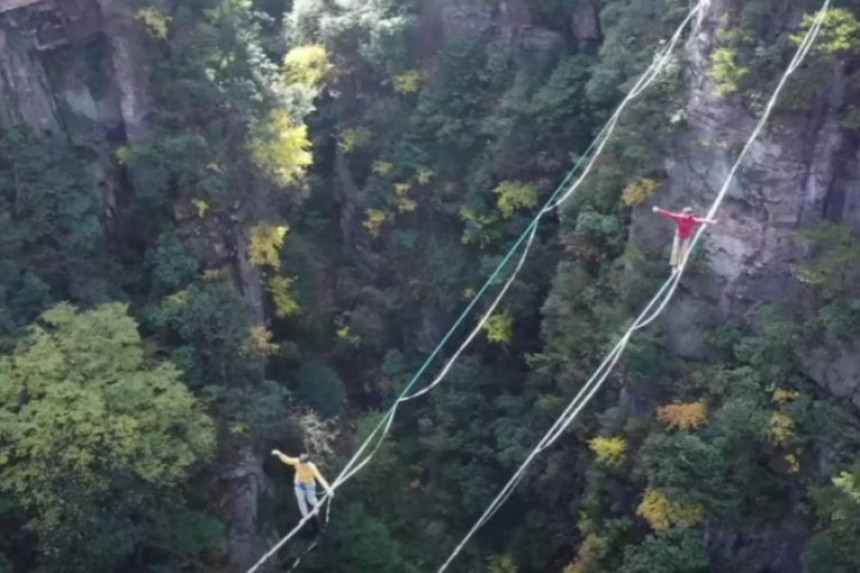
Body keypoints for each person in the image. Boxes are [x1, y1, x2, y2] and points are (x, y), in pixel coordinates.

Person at [272, 449, 334, 530]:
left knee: (310, 499)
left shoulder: (312, 468)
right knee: (301, 500)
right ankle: (305, 516)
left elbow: (320, 479)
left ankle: (316, 506)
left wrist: (328, 489)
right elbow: (286, 459)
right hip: (299, 483)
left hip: (309, 484)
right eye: (300, 464)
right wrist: (279, 453)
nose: (301, 466)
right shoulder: (297, 461)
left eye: (303, 465)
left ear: (307, 463)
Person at [652, 205, 718, 273]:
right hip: (678, 236)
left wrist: (711, 222)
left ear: (690, 215)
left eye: (687, 215)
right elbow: (668, 214)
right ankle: (674, 267)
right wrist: (658, 210)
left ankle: (680, 265)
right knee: (676, 250)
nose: (684, 216)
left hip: (686, 237)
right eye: (684, 214)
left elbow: (702, 220)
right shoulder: (679, 217)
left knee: (683, 251)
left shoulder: (692, 220)